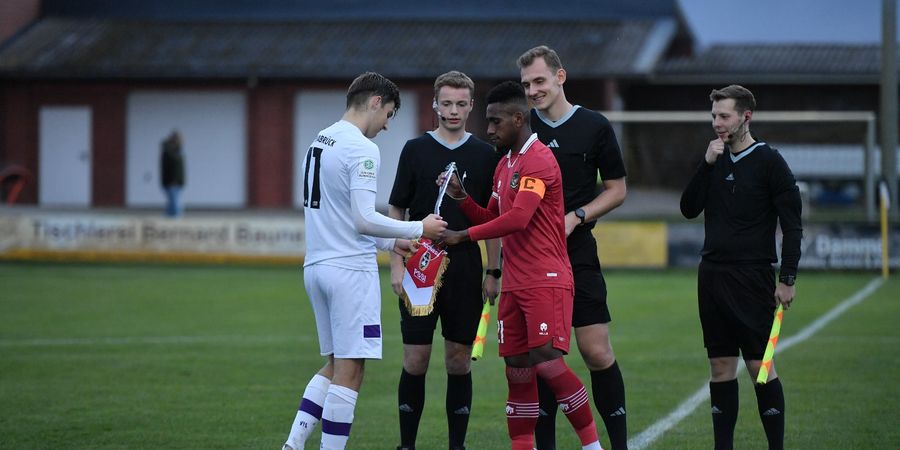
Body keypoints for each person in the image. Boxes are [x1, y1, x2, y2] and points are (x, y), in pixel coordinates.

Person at [282, 72, 448, 450]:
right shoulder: (361, 148)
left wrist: (392, 241)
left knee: (336, 362)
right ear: (375, 102)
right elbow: (362, 218)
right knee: (351, 369)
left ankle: (292, 444)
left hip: (318, 266)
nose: (388, 125)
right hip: (349, 272)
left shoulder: (320, 139)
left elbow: (345, 216)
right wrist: (416, 228)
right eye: (389, 114)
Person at [440, 81, 603, 450]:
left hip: (546, 279)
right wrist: (463, 198)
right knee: (517, 369)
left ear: (518, 118)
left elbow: (518, 219)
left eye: (496, 122)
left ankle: (592, 445)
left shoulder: (539, 159)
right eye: (488, 122)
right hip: (514, 284)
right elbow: (493, 215)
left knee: (546, 362)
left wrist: (464, 236)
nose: (489, 130)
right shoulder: (505, 165)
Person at [517, 45, 628, 450]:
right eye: (527, 84)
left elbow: (617, 190)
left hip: (577, 253)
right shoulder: (521, 126)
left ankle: (619, 444)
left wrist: (576, 216)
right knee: (542, 358)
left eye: (540, 81)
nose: (533, 90)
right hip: (531, 261)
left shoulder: (594, 126)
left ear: (560, 77)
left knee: (596, 351)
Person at [680, 85, 802, 450]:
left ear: (746, 116)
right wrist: (706, 165)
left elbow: (793, 224)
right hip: (712, 276)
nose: (717, 123)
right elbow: (688, 208)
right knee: (720, 367)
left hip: (753, 278)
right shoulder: (712, 160)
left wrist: (788, 278)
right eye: (714, 116)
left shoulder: (770, 161)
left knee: (759, 369)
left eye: (724, 116)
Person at [387, 71, 501, 450]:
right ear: (435, 104)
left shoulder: (486, 154)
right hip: (420, 263)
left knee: (458, 360)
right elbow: (396, 208)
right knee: (415, 359)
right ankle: (407, 445)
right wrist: (397, 264)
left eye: (461, 103)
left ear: (472, 105)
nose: (453, 111)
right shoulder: (414, 149)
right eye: (446, 103)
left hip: (466, 266)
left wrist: (493, 270)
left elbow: (492, 219)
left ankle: (457, 445)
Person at [160, 130, 185, 217]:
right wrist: (173, 180)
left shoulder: (177, 151)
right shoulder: (170, 152)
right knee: (175, 206)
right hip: (172, 182)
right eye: (180, 139)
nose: (182, 141)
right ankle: (176, 224)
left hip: (177, 182)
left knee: (171, 205)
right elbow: (171, 167)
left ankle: (167, 222)